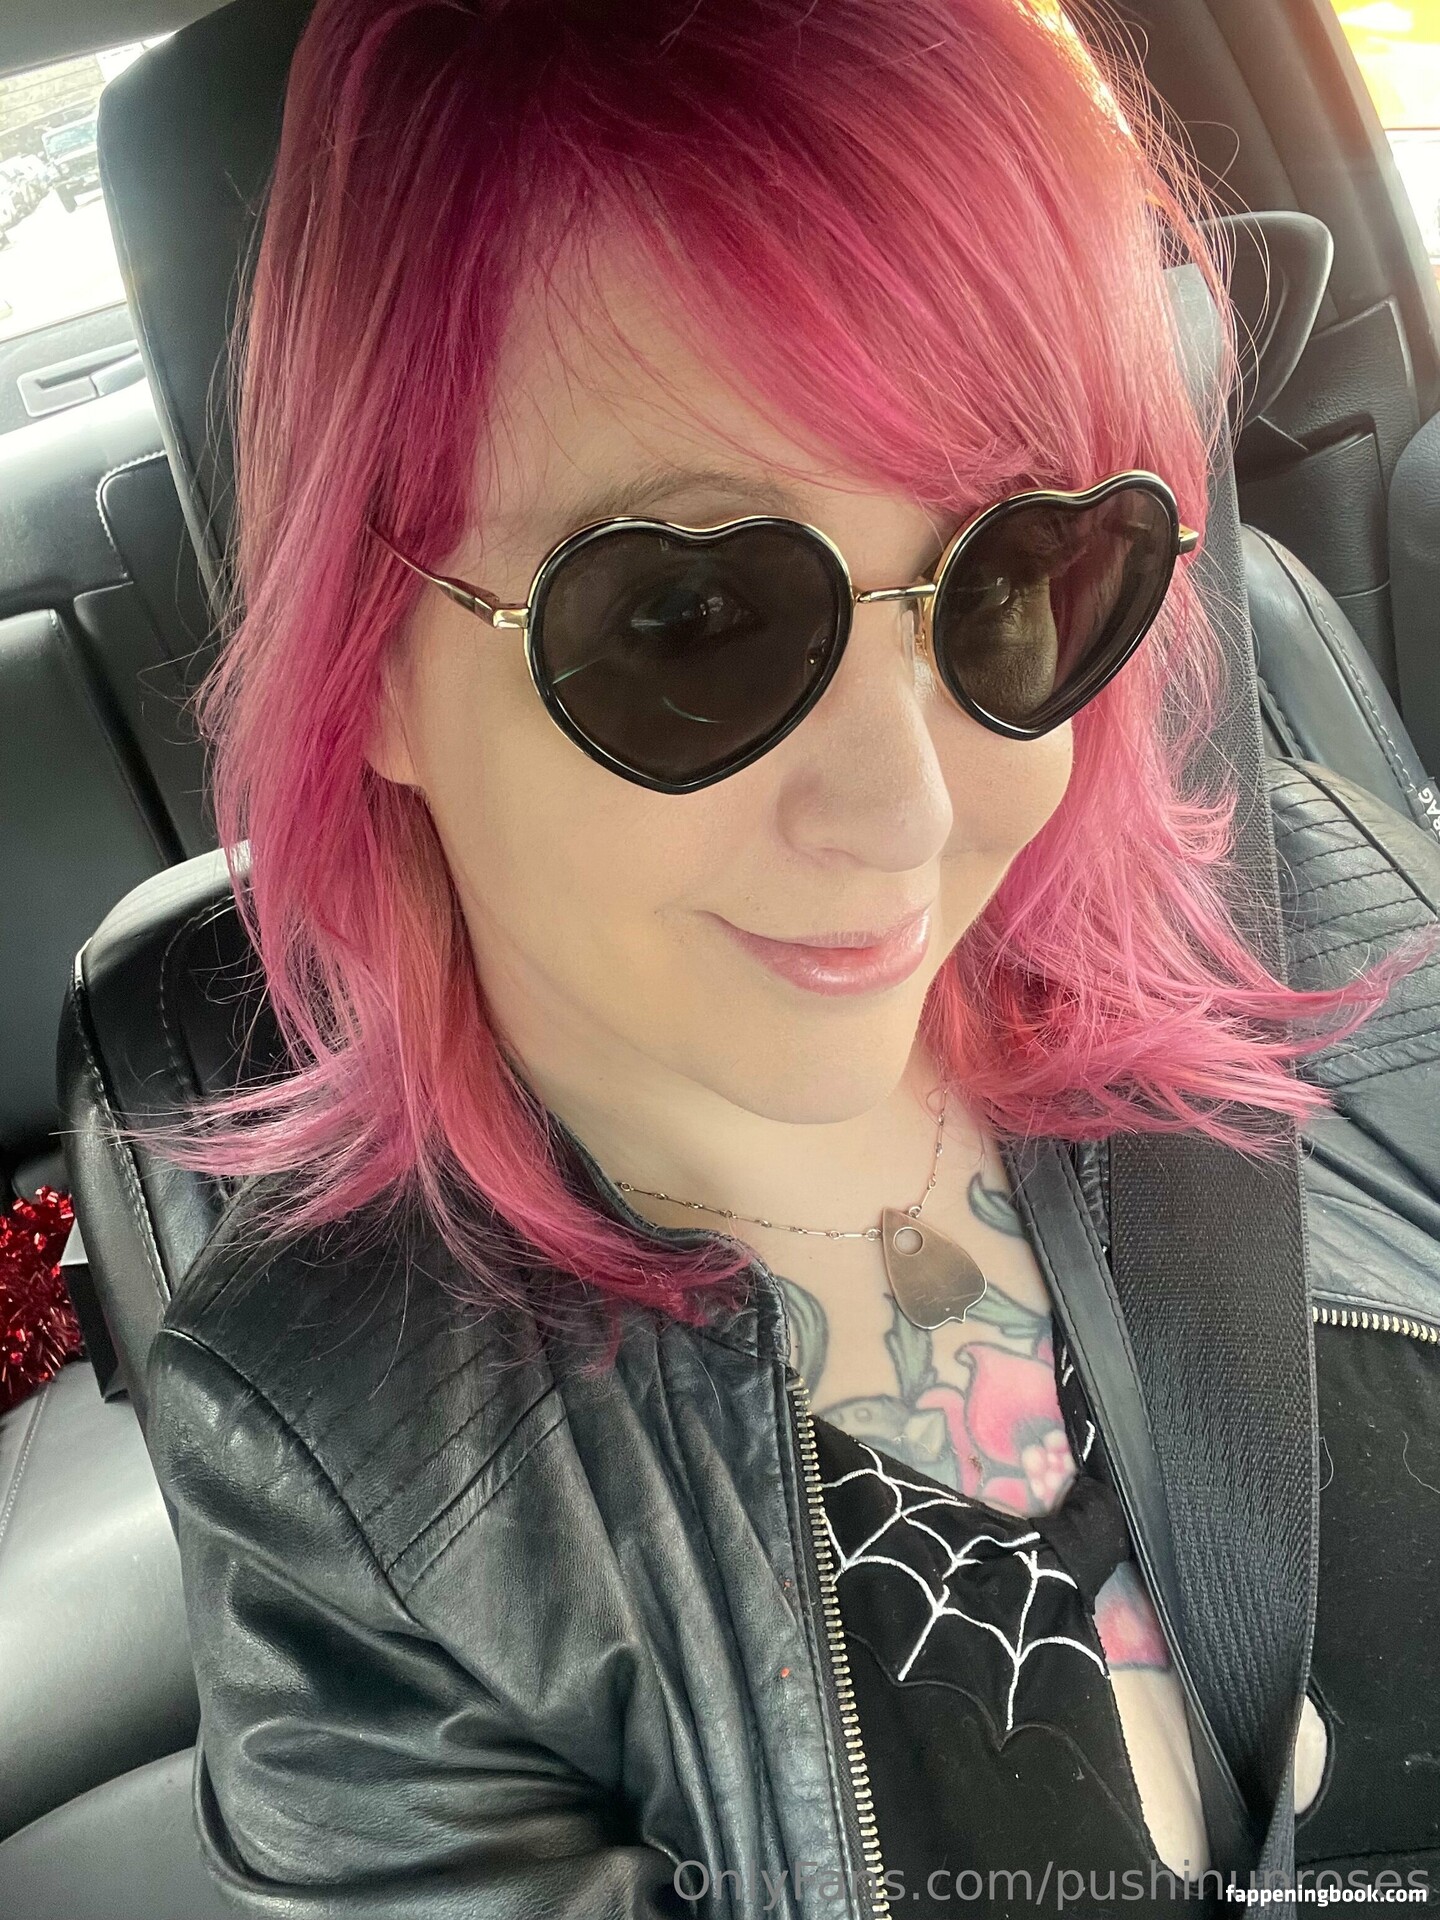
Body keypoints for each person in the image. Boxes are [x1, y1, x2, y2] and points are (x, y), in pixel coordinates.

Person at [134, 0, 1440, 1915]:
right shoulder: (341, 1448)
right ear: (372, 660)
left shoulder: (1330, 922)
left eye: (1017, 575)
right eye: (690, 620)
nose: (910, 812)